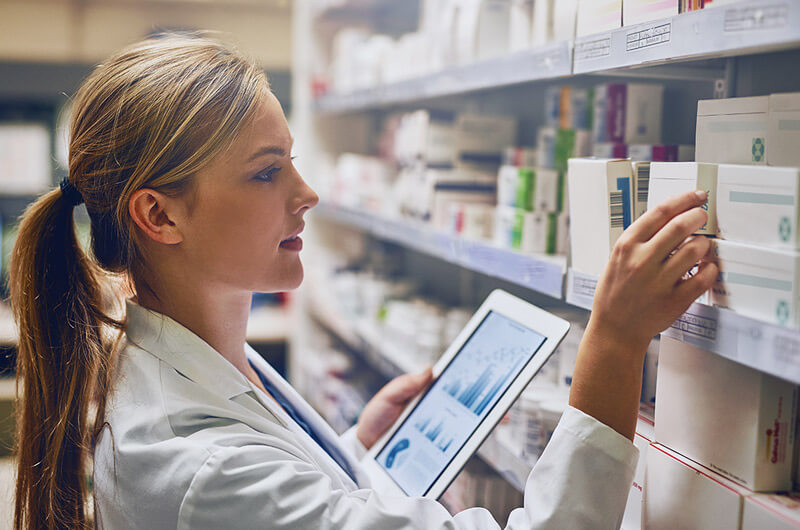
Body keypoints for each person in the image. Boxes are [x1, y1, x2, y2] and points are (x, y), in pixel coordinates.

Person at [9, 34, 717, 530]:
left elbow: (287, 490)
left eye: (292, 160)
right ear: (158, 216)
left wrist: (351, 452)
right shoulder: (199, 463)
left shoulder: (199, 359)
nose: (307, 192)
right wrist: (616, 342)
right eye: (266, 172)